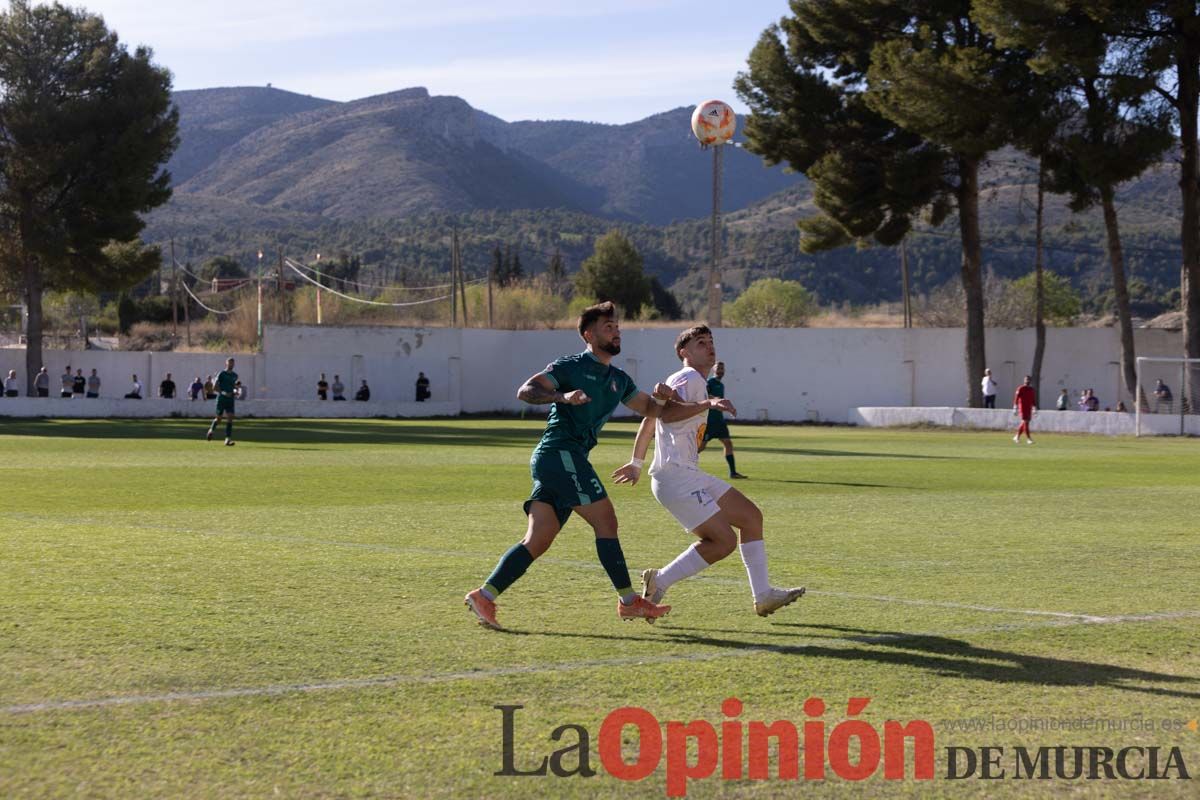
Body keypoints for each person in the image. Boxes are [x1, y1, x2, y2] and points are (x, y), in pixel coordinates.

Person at [464, 301, 674, 630]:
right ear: (589, 335)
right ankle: (630, 602)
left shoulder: (618, 378)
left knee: (539, 538)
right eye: (608, 327)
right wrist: (562, 397)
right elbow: (526, 391)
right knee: (606, 520)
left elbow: (651, 409)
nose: (617, 332)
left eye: (617, 327)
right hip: (560, 453)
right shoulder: (569, 367)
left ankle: (484, 596)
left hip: (561, 459)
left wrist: (662, 397)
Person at [613, 325, 805, 619]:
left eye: (711, 342)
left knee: (751, 517)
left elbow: (653, 417)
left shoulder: (695, 380)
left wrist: (637, 462)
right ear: (684, 353)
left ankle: (763, 595)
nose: (709, 347)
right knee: (724, 541)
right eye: (700, 343)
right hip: (675, 477)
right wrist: (708, 404)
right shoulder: (688, 377)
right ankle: (661, 580)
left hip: (686, 473)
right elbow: (664, 413)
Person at [696, 360, 747, 479]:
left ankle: (733, 472)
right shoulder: (710, 382)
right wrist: (717, 399)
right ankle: (683, 464)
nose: (720, 371)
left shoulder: (721, 385)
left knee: (728, 443)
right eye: (718, 368)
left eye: (722, 369)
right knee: (701, 447)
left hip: (719, 421)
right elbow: (704, 396)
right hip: (710, 421)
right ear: (713, 369)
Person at [206, 358, 238, 446]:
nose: (231, 364)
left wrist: (235, 391)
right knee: (219, 419)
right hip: (221, 399)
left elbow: (234, 387)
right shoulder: (221, 374)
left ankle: (227, 440)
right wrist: (224, 393)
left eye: (233, 363)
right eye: (230, 363)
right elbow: (214, 387)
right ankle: (211, 430)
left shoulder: (235, 375)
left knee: (230, 417)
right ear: (226, 363)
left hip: (230, 399)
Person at [1013, 374, 1036, 444]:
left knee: (1025, 423)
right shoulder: (1020, 388)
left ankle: (1017, 436)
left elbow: (1033, 399)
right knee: (1025, 421)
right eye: (1026, 379)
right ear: (1024, 380)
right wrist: (1015, 407)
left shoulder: (1032, 390)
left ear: (1030, 381)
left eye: (1028, 379)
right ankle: (1029, 439)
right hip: (1022, 408)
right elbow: (1016, 398)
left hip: (1028, 408)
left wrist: (1034, 407)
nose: (1027, 381)